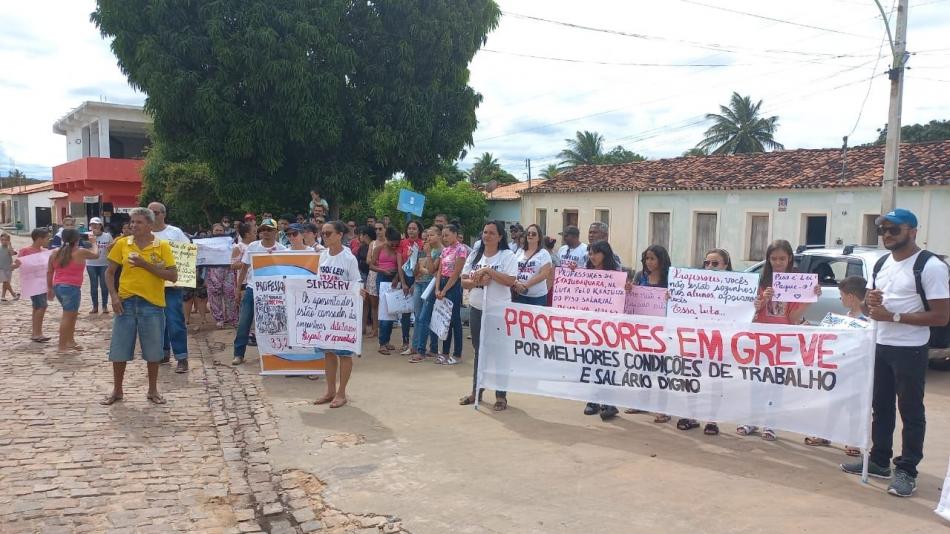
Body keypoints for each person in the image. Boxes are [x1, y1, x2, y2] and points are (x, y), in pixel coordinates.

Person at [841, 209, 950, 497]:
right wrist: (869, 303)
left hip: (911, 349)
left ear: (912, 231)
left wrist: (895, 317)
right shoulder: (881, 264)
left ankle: (907, 470)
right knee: (881, 406)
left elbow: (941, 316)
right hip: (880, 344)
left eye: (894, 229)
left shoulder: (930, 266)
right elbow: (873, 310)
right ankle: (879, 461)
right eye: (882, 230)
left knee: (911, 410)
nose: (887, 235)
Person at [737, 239, 819, 441]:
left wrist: (809, 297)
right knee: (756, 380)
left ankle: (771, 424)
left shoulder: (797, 282)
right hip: (760, 339)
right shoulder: (760, 281)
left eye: (782, 258)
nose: (778, 262)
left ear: (790, 258)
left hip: (783, 340)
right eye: (773, 258)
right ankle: (752, 420)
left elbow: (792, 318)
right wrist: (761, 300)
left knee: (776, 382)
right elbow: (749, 312)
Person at [102, 207, 178, 405]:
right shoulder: (122, 244)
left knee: (153, 351)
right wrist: (114, 296)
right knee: (119, 349)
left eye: (139, 222)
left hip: (152, 304)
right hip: (125, 303)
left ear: (150, 226)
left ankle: (153, 390)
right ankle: (117, 390)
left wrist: (146, 265)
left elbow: (172, 276)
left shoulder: (162, 247)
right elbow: (109, 273)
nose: (133, 225)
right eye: (132, 222)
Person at [806, 275, 868, 454]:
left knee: (856, 406)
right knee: (833, 403)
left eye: (841, 295)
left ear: (850, 297)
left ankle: (854, 441)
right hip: (840, 370)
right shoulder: (845, 317)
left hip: (858, 372)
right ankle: (825, 433)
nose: (840, 299)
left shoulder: (867, 320)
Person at [459, 221, 518, 410]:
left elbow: (510, 280)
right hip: (477, 309)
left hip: (499, 311)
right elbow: (464, 281)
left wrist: (488, 271)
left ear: (500, 237)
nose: (487, 236)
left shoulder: (507, 256)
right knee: (479, 351)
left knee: (500, 353)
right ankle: (477, 390)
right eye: (485, 232)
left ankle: (501, 396)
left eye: (492, 233)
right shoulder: (475, 254)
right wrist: (477, 281)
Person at [312, 221, 363, 409]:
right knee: (328, 353)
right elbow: (318, 282)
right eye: (323, 233)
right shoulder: (322, 256)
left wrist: (358, 293)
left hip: (343, 313)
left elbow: (356, 283)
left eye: (328, 233)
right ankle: (330, 390)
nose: (324, 236)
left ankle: (341, 393)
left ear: (340, 234)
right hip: (325, 311)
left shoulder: (349, 258)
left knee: (344, 353)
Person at [233, 219, 286, 365]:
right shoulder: (253, 246)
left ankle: (272, 353)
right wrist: (238, 288)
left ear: (276, 231)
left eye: (269, 230)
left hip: (273, 291)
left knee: (273, 323)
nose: (266, 233)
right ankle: (238, 353)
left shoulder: (282, 250)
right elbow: (244, 268)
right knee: (244, 321)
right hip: (252, 288)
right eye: (263, 230)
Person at [148, 202, 192, 373]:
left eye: (156, 212)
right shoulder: (145, 233)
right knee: (156, 321)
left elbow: (187, 253)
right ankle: (163, 353)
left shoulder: (175, 232)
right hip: (151, 284)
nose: (153, 215)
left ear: (163, 214)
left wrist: (185, 278)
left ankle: (181, 357)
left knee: (174, 319)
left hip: (172, 284)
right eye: (149, 212)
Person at [582, 241, 623, 420]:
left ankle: (609, 401)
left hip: (609, 326)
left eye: (596, 253)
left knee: (607, 363)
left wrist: (626, 288)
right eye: (590, 253)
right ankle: (593, 400)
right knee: (591, 361)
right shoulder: (585, 273)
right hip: (589, 326)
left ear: (605, 254)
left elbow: (621, 297)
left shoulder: (616, 275)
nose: (592, 256)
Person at [47, 229, 100, 353]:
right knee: (67, 316)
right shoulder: (80, 252)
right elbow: (96, 255)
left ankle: (70, 341)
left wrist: (49, 287)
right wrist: (94, 242)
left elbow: (50, 271)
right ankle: (62, 346)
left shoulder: (55, 252)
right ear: (77, 239)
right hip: (71, 287)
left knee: (72, 314)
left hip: (59, 286)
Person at [433, 224, 467, 365]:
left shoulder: (461, 250)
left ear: (455, 234)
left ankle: (457, 353)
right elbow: (440, 271)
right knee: (444, 320)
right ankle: (445, 352)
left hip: (453, 286)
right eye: (443, 235)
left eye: (447, 235)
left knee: (454, 320)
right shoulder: (445, 250)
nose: (445, 238)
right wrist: (437, 288)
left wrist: (445, 290)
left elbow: (456, 273)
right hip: (442, 284)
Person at [409, 225, 443, 363]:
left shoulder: (440, 251)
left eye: (431, 235)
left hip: (431, 286)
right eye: (427, 236)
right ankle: (427, 348)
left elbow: (430, 270)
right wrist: (414, 257)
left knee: (424, 318)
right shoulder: (424, 249)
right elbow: (416, 269)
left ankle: (421, 350)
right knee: (419, 317)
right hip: (418, 283)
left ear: (439, 236)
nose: (428, 238)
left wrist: (428, 255)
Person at [371, 227, 404, 354]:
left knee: (392, 310)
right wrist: (383, 270)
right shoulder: (379, 248)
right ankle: (382, 342)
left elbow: (400, 266)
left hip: (395, 278)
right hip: (383, 278)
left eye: (396, 242)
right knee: (384, 310)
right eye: (392, 242)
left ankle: (387, 340)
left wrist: (396, 277)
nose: (394, 245)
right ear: (387, 239)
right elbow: (372, 265)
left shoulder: (398, 250)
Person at [396, 220, 424, 354]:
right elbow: (400, 263)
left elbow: (421, 264)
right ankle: (405, 341)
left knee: (418, 312)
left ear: (419, 230)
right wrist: (404, 282)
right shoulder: (402, 243)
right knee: (405, 311)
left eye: (414, 228)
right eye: (409, 228)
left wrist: (414, 283)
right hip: (405, 278)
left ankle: (418, 342)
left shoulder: (422, 244)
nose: (411, 231)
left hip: (418, 279)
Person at [19, 229, 52, 341]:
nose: (49, 240)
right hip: (33, 283)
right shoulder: (25, 251)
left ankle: (36, 332)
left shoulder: (45, 251)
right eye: (47, 238)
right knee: (42, 306)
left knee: (37, 307)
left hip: (42, 283)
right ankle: (37, 333)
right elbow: (19, 264)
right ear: (39, 238)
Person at [205, 223, 238, 328]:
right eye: (216, 230)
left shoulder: (230, 241)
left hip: (228, 270)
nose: (219, 232)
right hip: (213, 270)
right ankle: (219, 319)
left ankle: (232, 318)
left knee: (230, 294)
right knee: (214, 295)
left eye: (220, 230)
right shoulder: (207, 243)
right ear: (212, 232)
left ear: (224, 231)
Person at [512, 224, 552, 305]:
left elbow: (544, 274)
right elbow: (512, 269)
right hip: (519, 295)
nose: (530, 235)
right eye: (528, 233)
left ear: (539, 237)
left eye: (533, 234)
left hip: (537, 298)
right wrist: (516, 283)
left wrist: (525, 286)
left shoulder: (544, 253)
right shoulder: (520, 251)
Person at [83, 217, 115, 314]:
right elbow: (85, 248)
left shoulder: (107, 236)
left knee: (104, 286)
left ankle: (104, 306)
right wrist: (92, 239)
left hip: (104, 264)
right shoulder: (87, 235)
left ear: (101, 225)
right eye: (92, 224)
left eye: (97, 224)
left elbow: (112, 248)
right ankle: (95, 306)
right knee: (93, 286)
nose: (94, 226)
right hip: (91, 263)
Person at [363, 222, 386, 338]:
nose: (378, 231)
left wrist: (377, 262)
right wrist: (379, 263)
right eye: (376, 229)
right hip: (373, 275)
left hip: (386, 275)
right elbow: (368, 260)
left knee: (385, 304)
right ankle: (374, 329)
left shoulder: (388, 243)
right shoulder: (372, 243)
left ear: (385, 229)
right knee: (374, 304)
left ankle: (384, 330)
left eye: (380, 228)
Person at [356, 226, 377, 337]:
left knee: (372, 303)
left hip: (372, 274)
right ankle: (363, 327)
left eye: (362, 234)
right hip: (362, 275)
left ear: (366, 235)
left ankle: (374, 328)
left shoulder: (373, 245)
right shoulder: (362, 247)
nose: (360, 237)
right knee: (364, 302)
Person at [0, 232, 19, 301]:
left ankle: (3, 296)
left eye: (5, 240)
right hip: (1, 268)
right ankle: (14, 294)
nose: (3, 241)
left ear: (8, 240)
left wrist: (9, 245)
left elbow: (11, 253)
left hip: (8, 268)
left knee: (6, 283)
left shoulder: (9, 248)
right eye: (2, 239)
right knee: (5, 281)